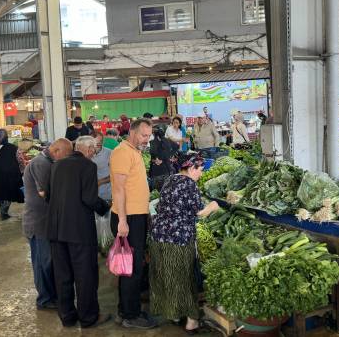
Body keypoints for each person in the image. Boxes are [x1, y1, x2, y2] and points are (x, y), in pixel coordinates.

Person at [45, 136, 111, 328]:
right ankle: (88, 317)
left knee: (62, 275)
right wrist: (105, 207)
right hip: (79, 231)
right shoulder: (88, 167)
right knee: (85, 275)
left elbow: (48, 196)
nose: (94, 153)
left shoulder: (57, 165)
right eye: (94, 150)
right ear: (88, 149)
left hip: (56, 230)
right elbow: (89, 198)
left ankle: (67, 316)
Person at [150, 154, 220, 333]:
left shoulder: (170, 179)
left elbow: (160, 206)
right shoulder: (190, 184)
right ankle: (191, 321)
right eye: (200, 170)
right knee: (185, 277)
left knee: (168, 275)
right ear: (191, 168)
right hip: (178, 238)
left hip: (159, 236)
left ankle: (174, 314)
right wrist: (213, 206)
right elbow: (200, 212)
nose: (201, 174)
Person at [109, 118, 157, 329]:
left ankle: (125, 309)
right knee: (132, 268)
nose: (147, 140)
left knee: (131, 266)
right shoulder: (122, 152)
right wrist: (122, 221)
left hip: (135, 216)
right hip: (127, 218)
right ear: (133, 132)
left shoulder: (134, 151)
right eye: (144, 135)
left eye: (149, 136)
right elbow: (119, 189)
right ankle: (131, 314)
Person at [23, 138, 74, 311]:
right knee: (42, 263)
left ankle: (51, 296)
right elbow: (46, 193)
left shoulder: (48, 161)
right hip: (38, 223)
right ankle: (44, 299)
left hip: (46, 221)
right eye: (65, 156)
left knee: (49, 261)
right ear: (57, 150)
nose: (65, 160)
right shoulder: (41, 163)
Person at [91, 133, 112, 201]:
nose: (99, 144)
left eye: (101, 141)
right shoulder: (85, 154)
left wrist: (99, 182)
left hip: (105, 195)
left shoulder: (110, 153)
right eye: (96, 142)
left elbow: (115, 174)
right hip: (89, 195)